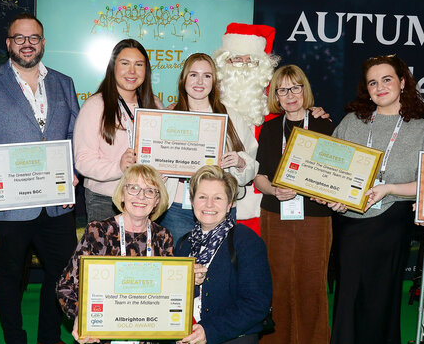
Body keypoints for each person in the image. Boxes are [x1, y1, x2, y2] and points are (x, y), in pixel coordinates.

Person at [323, 54, 424, 344]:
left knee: (381, 296)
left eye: (387, 79)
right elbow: (330, 169)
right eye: (373, 82)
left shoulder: (423, 129)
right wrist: (333, 198)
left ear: (402, 82)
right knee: (347, 296)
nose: (380, 87)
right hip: (350, 222)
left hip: (391, 221)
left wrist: (390, 189)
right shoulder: (351, 122)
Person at [0, 13, 80, 344]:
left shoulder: (63, 83)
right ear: (8, 43)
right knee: (9, 276)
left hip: (56, 203)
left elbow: (73, 135)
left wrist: (71, 174)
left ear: (43, 42)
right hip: (10, 205)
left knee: (64, 272)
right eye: (19, 38)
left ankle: (48, 341)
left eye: (34, 38)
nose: (27, 44)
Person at [55, 164, 172, 344]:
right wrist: (80, 318)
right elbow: (66, 286)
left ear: (157, 200)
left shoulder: (163, 238)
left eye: (150, 191)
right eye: (133, 188)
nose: (140, 196)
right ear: (122, 194)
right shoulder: (98, 232)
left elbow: (171, 295)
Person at [174, 165, 281, 344]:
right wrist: (176, 332)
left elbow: (257, 304)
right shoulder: (183, 245)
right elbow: (173, 299)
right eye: (202, 197)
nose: (209, 205)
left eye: (218, 198)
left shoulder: (246, 241)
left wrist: (210, 331)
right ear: (192, 200)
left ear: (230, 203)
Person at [254, 65, 335, 344]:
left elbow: (336, 175)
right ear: (275, 95)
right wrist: (273, 189)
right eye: (282, 90)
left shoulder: (324, 124)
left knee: (313, 282)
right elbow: (259, 177)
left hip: (315, 215)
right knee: (280, 281)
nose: (289, 95)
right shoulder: (270, 129)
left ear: (305, 90)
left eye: (295, 88)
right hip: (276, 214)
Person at [159, 53, 258, 243]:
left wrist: (240, 162)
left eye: (206, 76)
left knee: (218, 259)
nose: (199, 82)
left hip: (218, 209)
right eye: (193, 75)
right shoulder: (168, 115)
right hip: (176, 209)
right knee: (179, 260)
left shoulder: (231, 117)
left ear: (214, 81)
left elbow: (251, 166)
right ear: (184, 79)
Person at [73, 39, 160, 223]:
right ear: (113, 67)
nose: (132, 71)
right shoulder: (95, 105)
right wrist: (118, 167)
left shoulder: (154, 105)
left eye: (139, 64)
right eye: (125, 63)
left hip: (147, 199)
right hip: (105, 200)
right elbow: (83, 161)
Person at [213, 23, 280, 234]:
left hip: (260, 206)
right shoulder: (207, 103)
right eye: (236, 59)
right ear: (224, 63)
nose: (243, 65)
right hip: (214, 204)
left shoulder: (275, 108)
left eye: (250, 60)